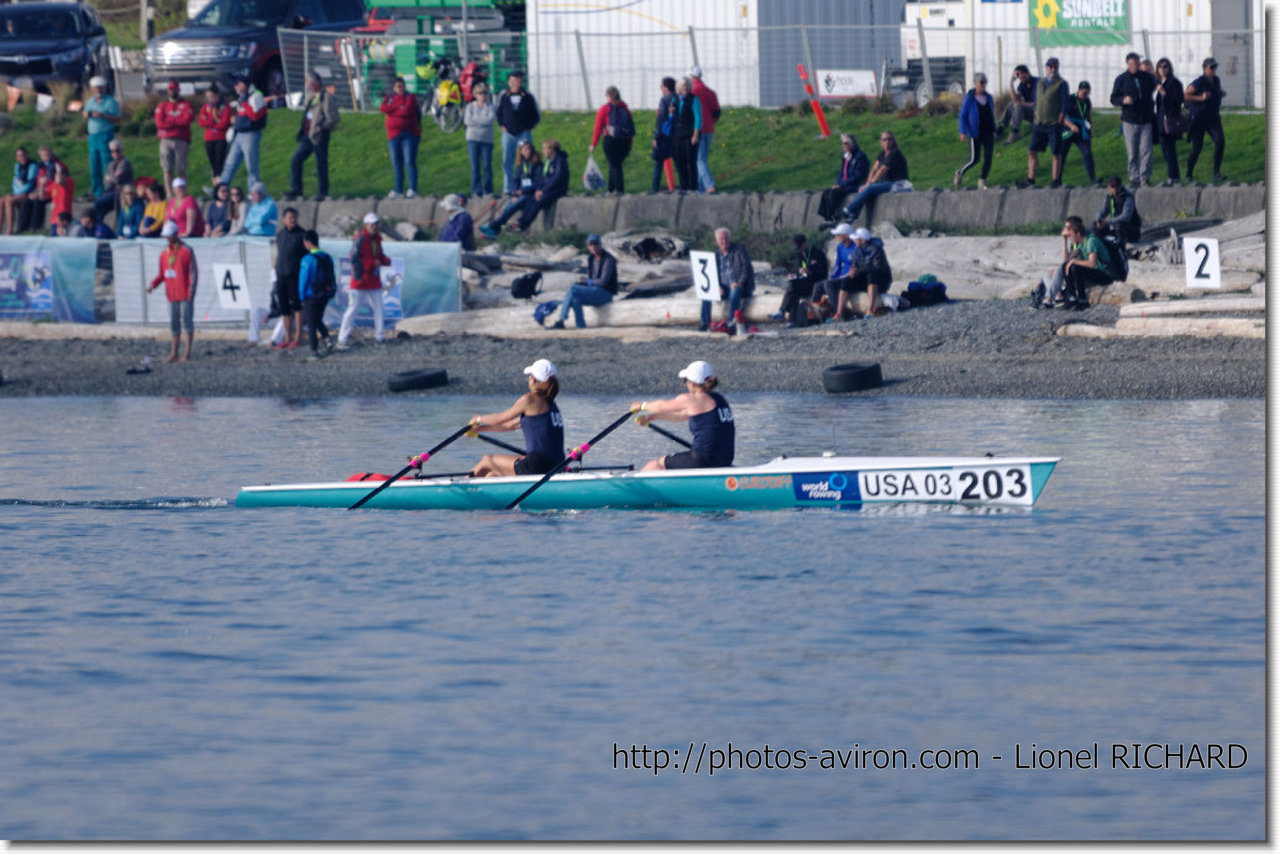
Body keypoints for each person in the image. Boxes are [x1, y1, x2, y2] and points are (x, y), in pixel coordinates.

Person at [467, 358, 565, 477]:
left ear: (533, 379)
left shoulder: (529, 400)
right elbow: (512, 425)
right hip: (558, 465)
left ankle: (460, 491)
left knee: (487, 461)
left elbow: (500, 418)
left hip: (538, 465)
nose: (528, 379)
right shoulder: (552, 405)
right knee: (492, 474)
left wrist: (478, 419)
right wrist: (480, 429)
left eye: (529, 376)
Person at [631, 360, 734, 471]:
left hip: (703, 459)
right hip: (725, 459)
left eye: (685, 380)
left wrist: (641, 406)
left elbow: (662, 406)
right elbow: (681, 415)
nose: (685, 383)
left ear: (692, 383)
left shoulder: (691, 399)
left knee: (655, 465)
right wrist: (652, 417)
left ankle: (633, 486)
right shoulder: (720, 399)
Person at [147, 220, 199, 362]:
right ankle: (174, 353)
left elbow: (193, 272)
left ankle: (187, 353)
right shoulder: (164, 254)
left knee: (187, 322)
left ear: (176, 235)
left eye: (169, 236)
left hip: (185, 293)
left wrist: (192, 290)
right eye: (166, 236)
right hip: (171, 294)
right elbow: (162, 274)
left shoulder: (187, 250)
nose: (167, 239)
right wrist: (153, 284)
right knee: (174, 324)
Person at [337, 212, 391, 348]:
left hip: (372, 280)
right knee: (352, 310)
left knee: (379, 309)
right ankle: (342, 339)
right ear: (366, 225)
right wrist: (374, 263)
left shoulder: (377, 239)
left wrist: (385, 261)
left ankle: (380, 337)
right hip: (360, 281)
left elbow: (379, 254)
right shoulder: (360, 239)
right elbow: (353, 258)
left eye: (376, 223)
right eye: (372, 224)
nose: (374, 226)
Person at [1017, 57, 1068, 188]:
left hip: (1053, 123)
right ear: (1046, 67)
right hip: (1039, 122)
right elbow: (1036, 100)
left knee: (1056, 152)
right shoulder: (1040, 83)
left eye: (1055, 66)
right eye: (1050, 66)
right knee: (1032, 151)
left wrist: (1061, 118)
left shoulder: (1061, 84)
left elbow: (1064, 103)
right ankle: (1031, 179)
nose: (1053, 69)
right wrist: (1034, 113)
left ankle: (1056, 180)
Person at [287, 72, 339, 202]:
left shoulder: (326, 97)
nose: (308, 86)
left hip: (319, 135)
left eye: (310, 83)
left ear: (317, 83)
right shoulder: (311, 97)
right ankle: (296, 189)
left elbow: (332, 118)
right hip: (307, 135)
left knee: (321, 163)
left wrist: (321, 128)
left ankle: (322, 192)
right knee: (296, 159)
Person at [839, 130, 909, 223]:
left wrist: (870, 184)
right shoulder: (882, 153)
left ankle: (849, 210)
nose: (887, 142)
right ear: (881, 142)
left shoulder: (894, 153)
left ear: (893, 141)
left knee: (870, 188)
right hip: (886, 183)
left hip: (897, 184)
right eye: (884, 140)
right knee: (863, 188)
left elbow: (882, 170)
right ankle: (853, 215)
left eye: (889, 139)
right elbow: (874, 169)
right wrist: (867, 183)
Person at [1110, 52, 1157, 187]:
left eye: (1138, 62)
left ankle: (1145, 178)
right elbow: (1113, 98)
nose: (1136, 65)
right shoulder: (1122, 79)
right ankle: (1134, 177)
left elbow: (1156, 83)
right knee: (1132, 151)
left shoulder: (1147, 77)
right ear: (1128, 64)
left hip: (1145, 120)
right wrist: (1123, 100)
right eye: (1133, 63)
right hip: (1130, 120)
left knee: (1147, 150)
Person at [551, 233, 618, 329]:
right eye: (591, 244)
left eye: (595, 244)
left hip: (606, 293)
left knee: (573, 289)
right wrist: (584, 283)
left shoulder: (608, 259)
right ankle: (581, 326)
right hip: (594, 292)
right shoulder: (591, 259)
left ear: (600, 245)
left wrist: (588, 282)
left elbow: (603, 282)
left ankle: (561, 320)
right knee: (575, 299)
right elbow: (591, 280)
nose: (593, 247)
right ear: (588, 247)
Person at [479, 140, 542, 238]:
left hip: (530, 193)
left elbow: (537, 183)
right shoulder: (521, 165)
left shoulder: (537, 164)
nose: (528, 151)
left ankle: (494, 226)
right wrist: (515, 194)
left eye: (529, 149)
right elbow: (516, 181)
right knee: (510, 206)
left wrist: (522, 191)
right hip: (521, 193)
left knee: (514, 205)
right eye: (525, 149)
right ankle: (495, 229)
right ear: (520, 151)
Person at [702, 227, 755, 334]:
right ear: (717, 242)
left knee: (735, 290)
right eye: (721, 239)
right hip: (723, 287)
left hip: (739, 285)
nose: (724, 241)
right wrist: (716, 286)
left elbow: (746, 268)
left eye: (726, 239)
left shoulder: (739, 249)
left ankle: (731, 322)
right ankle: (705, 323)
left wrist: (739, 282)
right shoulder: (716, 255)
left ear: (730, 239)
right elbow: (711, 274)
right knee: (706, 294)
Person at [496, 70, 541, 197]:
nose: (517, 81)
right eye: (514, 79)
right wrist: (501, 125)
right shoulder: (504, 96)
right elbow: (499, 112)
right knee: (507, 161)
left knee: (528, 159)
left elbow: (536, 115)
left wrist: (529, 127)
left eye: (519, 78)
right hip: (508, 133)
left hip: (523, 132)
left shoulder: (527, 96)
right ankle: (508, 188)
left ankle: (528, 186)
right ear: (510, 81)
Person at [219, 75, 267, 189]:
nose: (235, 87)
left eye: (237, 84)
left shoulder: (256, 96)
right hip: (239, 134)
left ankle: (254, 191)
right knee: (230, 164)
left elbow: (255, 116)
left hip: (251, 134)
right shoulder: (241, 98)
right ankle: (221, 189)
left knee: (251, 166)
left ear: (243, 84)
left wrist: (245, 104)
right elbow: (243, 113)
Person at [769, 233, 828, 326]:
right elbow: (798, 269)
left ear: (805, 244)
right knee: (794, 288)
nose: (798, 250)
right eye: (797, 248)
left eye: (799, 247)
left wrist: (810, 271)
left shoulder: (817, 253)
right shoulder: (800, 255)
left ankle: (782, 311)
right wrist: (795, 274)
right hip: (805, 282)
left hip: (817, 282)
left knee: (793, 286)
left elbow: (822, 272)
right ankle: (792, 321)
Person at [1184, 57, 1226, 184]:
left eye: (1215, 67)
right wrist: (1201, 98)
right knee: (1197, 147)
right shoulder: (1199, 81)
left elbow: (1215, 93)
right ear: (1205, 68)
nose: (1214, 70)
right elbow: (1186, 94)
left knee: (1220, 142)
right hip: (1199, 118)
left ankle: (1216, 173)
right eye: (1211, 67)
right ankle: (1188, 174)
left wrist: (1221, 93)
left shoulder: (1217, 80)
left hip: (1213, 117)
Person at [380, 76, 421, 199]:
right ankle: (398, 189)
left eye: (402, 86)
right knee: (396, 162)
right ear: (394, 88)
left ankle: (413, 189)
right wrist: (398, 107)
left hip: (409, 134)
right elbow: (383, 108)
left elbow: (406, 111)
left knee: (409, 161)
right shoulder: (390, 98)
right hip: (393, 136)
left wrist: (393, 111)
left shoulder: (410, 98)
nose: (401, 88)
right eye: (398, 86)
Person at [297, 228, 335, 357]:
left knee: (311, 322)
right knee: (317, 318)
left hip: (311, 295)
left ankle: (314, 350)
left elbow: (303, 279)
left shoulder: (307, 259)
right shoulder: (327, 257)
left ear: (307, 242)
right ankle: (327, 339)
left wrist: (301, 297)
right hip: (325, 294)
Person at [590, 86, 635, 194]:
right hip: (625, 141)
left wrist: (593, 144)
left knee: (615, 165)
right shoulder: (625, 108)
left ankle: (619, 190)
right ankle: (610, 189)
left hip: (611, 140)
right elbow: (631, 126)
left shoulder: (605, 109)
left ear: (608, 96)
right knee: (614, 164)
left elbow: (598, 127)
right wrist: (630, 144)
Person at [1060, 215, 1112, 308]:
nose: (1069, 237)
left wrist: (1074, 261)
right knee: (1066, 265)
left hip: (1105, 275)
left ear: (1078, 234)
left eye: (1070, 235)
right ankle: (1072, 298)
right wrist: (1064, 241)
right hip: (1094, 272)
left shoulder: (1091, 241)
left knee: (1076, 267)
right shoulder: (1081, 244)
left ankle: (1083, 299)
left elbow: (1092, 264)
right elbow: (1066, 260)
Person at [955, 72, 996, 189]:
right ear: (975, 84)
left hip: (988, 131)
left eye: (985, 83)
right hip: (975, 133)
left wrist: (995, 128)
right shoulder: (970, 98)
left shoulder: (989, 98)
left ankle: (982, 180)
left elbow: (991, 114)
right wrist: (962, 132)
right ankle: (960, 173)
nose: (983, 85)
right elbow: (963, 115)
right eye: (981, 83)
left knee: (988, 157)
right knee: (974, 159)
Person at [817, 133, 869, 223]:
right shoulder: (845, 155)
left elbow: (858, 175)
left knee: (834, 193)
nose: (843, 145)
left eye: (846, 143)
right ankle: (825, 216)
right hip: (844, 184)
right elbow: (842, 171)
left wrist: (842, 184)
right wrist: (838, 183)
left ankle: (831, 217)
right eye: (843, 143)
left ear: (852, 144)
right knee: (826, 192)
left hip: (853, 185)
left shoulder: (860, 156)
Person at [274, 206, 307, 348]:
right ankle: (287, 338)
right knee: (284, 308)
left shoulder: (302, 235)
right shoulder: (280, 235)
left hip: (295, 276)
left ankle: (297, 337)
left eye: (295, 218)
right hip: (281, 275)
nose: (293, 220)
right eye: (290, 218)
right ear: (284, 219)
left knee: (297, 308)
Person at [83, 75, 120, 198]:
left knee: (107, 163)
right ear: (92, 89)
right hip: (92, 136)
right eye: (96, 88)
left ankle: (110, 188)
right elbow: (86, 117)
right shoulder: (90, 102)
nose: (98, 90)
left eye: (100, 88)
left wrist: (104, 116)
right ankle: (97, 191)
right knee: (94, 164)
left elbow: (117, 118)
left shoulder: (110, 102)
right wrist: (87, 116)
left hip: (105, 134)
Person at [154, 79, 193, 196]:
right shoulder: (162, 106)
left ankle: (182, 192)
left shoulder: (186, 105)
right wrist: (176, 122)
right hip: (165, 140)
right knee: (167, 168)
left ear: (178, 90)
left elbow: (187, 120)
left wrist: (169, 121)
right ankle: (169, 193)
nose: (172, 91)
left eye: (174, 89)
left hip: (181, 140)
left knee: (181, 168)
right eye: (170, 89)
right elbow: (159, 123)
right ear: (167, 91)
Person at [520, 138, 568, 231]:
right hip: (547, 189)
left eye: (544, 148)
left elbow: (556, 179)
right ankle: (520, 222)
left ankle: (523, 225)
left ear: (551, 149)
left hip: (557, 190)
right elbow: (543, 178)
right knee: (531, 201)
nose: (543, 151)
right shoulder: (549, 161)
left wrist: (543, 191)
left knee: (538, 203)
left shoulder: (560, 161)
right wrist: (539, 189)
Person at [1154, 58, 1185, 186]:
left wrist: (1164, 93)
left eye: (1165, 66)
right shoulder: (1159, 82)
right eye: (1160, 67)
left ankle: (1174, 176)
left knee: (1169, 149)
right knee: (1166, 149)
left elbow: (1178, 99)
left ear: (1169, 68)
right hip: (1160, 120)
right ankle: (1173, 175)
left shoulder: (1174, 83)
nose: (1162, 69)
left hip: (1170, 120)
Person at [1060, 80, 1098, 185]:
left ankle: (1093, 179)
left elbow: (1088, 117)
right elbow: (1063, 116)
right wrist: (1071, 126)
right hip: (1068, 130)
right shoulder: (1070, 99)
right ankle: (1057, 179)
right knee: (1062, 155)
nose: (1086, 95)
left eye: (1088, 92)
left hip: (1081, 131)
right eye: (1084, 92)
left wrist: (1090, 130)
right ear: (1079, 90)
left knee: (1087, 153)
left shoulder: (1087, 101)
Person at [689, 66, 720, 193]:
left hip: (699, 129)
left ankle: (709, 185)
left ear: (692, 77)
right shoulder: (710, 91)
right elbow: (717, 111)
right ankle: (700, 188)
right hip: (709, 128)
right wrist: (712, 122)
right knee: (703, 158)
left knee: (699, 159)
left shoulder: (693, 91)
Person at [463, 81, 496, 198]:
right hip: (472, 139)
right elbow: (467, 121)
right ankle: (476, 190)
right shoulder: (470, 107)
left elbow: (490, 120)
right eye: (480, 93)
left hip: (487, 140)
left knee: (487, 166)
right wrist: (482, 121)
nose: (483, 95)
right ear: (475, 95)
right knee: (475, 166)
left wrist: (477, 121)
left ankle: (488, 190)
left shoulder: (491, 106)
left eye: (485, 93)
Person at [670, 77, 701, 192]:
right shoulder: (675, 100)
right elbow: (672, 117)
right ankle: (683, 186)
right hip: (678, 135)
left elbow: (698, 118)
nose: (685, 88)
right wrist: (671, 113)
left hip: (690, 134)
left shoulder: (694, 99)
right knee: (680, 161)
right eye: (683, 86)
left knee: (690, 161)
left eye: (687, 85)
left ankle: (693, 187)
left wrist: (696, 134)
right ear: (679, 87)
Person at [197, 84, 233, 181]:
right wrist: (214, 122)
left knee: (219, 163)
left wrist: (209, 123)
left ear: (218, 95)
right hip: (209, 138)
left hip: (221, 138)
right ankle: (216, 184)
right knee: (213, 164)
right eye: (208, 97)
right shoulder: (206, 107)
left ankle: (220, 186)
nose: (210, 99)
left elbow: (224, 123)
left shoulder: (225, 106)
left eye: (212, 96)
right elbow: (201, 121)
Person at [92, 139, 133, 222]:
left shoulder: (125, 163)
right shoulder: (110, 165)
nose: (115, 153)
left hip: (121, 192)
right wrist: (111, 178)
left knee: (98, 202)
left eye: (117, 151)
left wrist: (109, 178)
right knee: (99, 210)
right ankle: (98, 228)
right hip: (111, 191)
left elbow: (117, 179)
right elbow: (106, 181)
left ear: (121, 150)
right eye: (112, 151)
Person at [1095, 175, 1142, 247]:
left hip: (1130, 230)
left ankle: (1121, 248)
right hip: (1114, 227)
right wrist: (1099, 220)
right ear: (1109, 187)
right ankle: (1100, 246)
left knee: (1119, 225)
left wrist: (1107, 222)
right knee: (1095, 226)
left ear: (1121, 185)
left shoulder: (1128, 197)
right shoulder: (1110, 197)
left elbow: (1126, 217)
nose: (1115, 189)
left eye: (1117, 186)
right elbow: (1101, 211)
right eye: (1112, 187)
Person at [1, 147, 38, 235]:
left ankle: (9, 230)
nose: (21, 157)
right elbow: (16, 182)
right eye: (19, 155)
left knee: (9, 201)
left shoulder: (33, 165)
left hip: (29, 192)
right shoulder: (18, 166)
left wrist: (17, 195)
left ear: (27, 155)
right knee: (1, 200)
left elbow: (29, 184)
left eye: (23, 155)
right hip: (19, 192)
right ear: (16, 157)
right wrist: (14, 193)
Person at [996, 64, 1037, 143]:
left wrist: (1021, 103)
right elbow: (1015, 100)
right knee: (1011, 104)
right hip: (1030, 111)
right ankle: (1000, 129)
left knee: (1019, 105)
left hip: (1038, 113)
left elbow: (1038, 104)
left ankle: (1015, 132)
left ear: (1028, 73)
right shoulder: (1022, 84)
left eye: (1022, 73)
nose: (1021, 76)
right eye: (1018, 75)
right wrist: (1011, 84)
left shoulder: (1037, 82)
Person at [650, 76, 677, 193]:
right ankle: (686, 186)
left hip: (665, 136)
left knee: (658, 163)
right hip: (678, 135)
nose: (660, 88)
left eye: (661, 86)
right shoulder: (678, 98)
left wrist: (656, 136)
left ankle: (655, 188)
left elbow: (660, 119)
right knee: (680, 163)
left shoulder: (664, 100)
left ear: (666, 87)